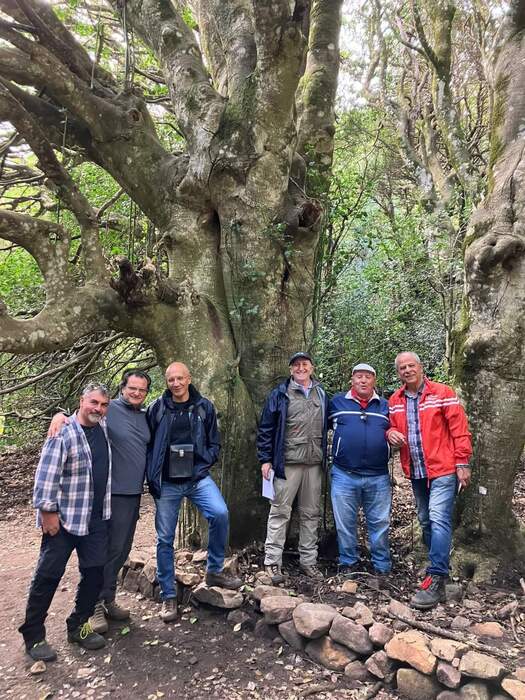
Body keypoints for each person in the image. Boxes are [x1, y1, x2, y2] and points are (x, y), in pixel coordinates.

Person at [47, 370, 151, 633]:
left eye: (142, 389)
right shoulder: (109, 409)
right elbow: (83, 414)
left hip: (133, 492)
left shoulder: (146, 415)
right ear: (122, 388)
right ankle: (92, 605)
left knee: (122, 550)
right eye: (132, 388)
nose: (137, 393)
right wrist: (59, 416)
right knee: (107, 550)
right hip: (110, 493)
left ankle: (108, 599)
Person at [19, 383, 112, 661]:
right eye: (93, 402)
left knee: (95, 573)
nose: (98, 409)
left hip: (95, 518)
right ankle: (34, 636)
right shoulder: (63, 431)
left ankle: (78, 626)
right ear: (81, 401)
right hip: (64, 519)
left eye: (103, 405)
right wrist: (47, 512)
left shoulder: (103, 429)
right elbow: (46, 475)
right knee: (47, 576)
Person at [146, 361, 242, 622]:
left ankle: (214, 570)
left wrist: (205, 462)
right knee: (165, 538)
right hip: (167, 481)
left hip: (197, 477)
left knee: (220, 513)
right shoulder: (156, 408)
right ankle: (168, 595)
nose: (175, 384)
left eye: (180, 378)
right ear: (166, 382)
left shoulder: (203, 407)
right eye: (170, 380)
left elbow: (214, 441)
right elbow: (146, 442)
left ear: (189, 379)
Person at [388, 352, 472, 609]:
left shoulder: (442, 393)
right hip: (416, 470)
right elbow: (390, 427)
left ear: (421, 367)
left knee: (437, 516)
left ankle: (436, 576)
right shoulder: (395, 400)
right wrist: (390, 432)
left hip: (443, 468)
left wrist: (462, 462)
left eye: (411, 365)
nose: (407, 370)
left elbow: (459, 428)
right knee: (424, 519)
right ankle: (438, 563)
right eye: (402, 367)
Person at [257, 352, 329, 584]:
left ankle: (309, 561)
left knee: (311, 513)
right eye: (296, 365)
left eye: (304, 364)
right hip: (286, 463)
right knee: (279, 511)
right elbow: (266, 428)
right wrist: (265, 459)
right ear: (290, 369)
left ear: (312, 367)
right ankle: (272, 561)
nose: (300, 368)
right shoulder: (279, 394)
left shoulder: (322, 393)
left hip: (314, 463)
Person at [329, 363, 392, 578]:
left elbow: (396, 429)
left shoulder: (385, 406)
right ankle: (348, 562)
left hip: (378, 476)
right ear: (352, 380)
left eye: (367, 377)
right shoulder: (337, 402)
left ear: (374, 380)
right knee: (345, 522)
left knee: (380, 523)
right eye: (359, 377)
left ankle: (382, 566)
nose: (363, 380)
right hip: (344, 474)